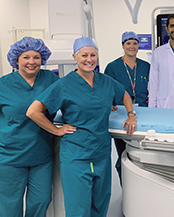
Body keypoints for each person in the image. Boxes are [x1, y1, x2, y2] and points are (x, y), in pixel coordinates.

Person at [26, 37, 137, 217]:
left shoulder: (105, 81)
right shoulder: (63, 84)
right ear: (75, 57)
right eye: (84, 55)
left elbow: (123, 93)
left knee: (100, 205)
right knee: (78, 209)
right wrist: (56, 130)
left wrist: (131, 114)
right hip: (77, 155)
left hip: (101, 153)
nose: (89, 59)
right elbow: (33, 111)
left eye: (93, 55)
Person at [0, 37, 59, 217]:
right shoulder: (3, 85)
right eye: (26, 57)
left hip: (41, 155)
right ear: (16, 60)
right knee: (10, 205)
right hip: (11, 155)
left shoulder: (50, 79)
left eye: (36, 57)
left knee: (41, 200)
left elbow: (71, 96)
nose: (31, 62)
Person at [104, 31, 149, 182]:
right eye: (128, 43)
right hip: (121, 114)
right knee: (124, 154)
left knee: (142, 155)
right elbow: (107, 89)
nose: (132, 46)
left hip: (143, 112)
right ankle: (127, 187)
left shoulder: (145, 66)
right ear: (123, 45)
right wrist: (109, 104)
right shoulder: (113, 67)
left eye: (135, 43)